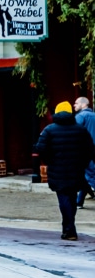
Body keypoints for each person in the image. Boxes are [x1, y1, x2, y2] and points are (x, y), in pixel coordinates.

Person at [35, 101, 95, 241]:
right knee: (72, 199)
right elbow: (90, 150)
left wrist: (49, 161)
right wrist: (83, 163)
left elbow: (40, 149)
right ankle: (69, 228)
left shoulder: (49, 130)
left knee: (63, 198)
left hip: (58, 170)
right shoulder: (80, 130)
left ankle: (69, 230)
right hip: (76, 170)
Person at [73, 97, 95, 208]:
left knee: (90, 175)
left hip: (84, 150)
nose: (74, 105)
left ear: (83, 104)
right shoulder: (94, 116)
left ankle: (79, 202)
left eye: (76, 103)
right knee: (86, 175)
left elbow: (74, 132)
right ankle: (79, 202)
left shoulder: (80, 116)